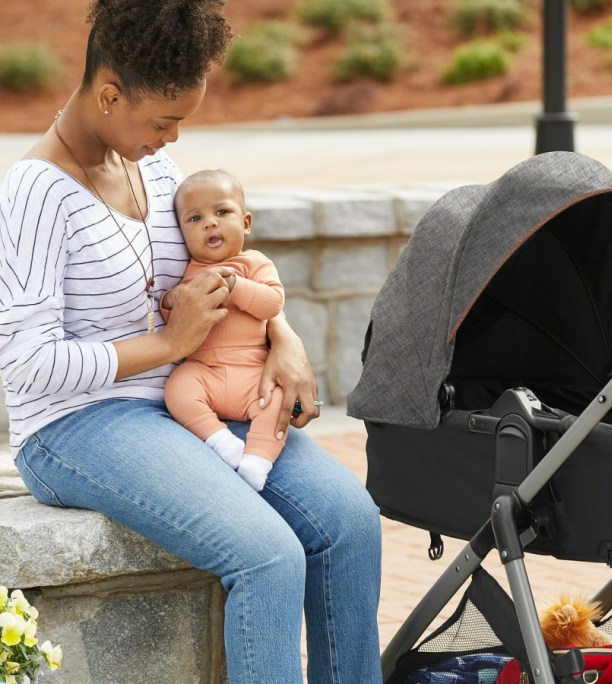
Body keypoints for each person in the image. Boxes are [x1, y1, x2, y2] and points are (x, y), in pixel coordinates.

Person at [0, 1, 382, 682]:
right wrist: (169, 345)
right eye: (163, 121)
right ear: (109, 94)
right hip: (75, 423)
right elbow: (23, 365)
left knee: (350, 523)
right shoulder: (34, 193)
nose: (173, 139)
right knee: (267, 554)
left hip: (193, 400)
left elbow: (228, 274)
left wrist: (284, 337)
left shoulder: (158, 176)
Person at [162, 169, 292, 491]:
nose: (210, 222)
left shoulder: (254, 263)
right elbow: (173, 324)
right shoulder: (188, 274)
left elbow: (272, 303)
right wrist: (172, 300)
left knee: (277, 401)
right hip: (205, 372)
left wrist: (236, 286)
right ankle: (219, 440)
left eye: (222, 212)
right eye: (195, 219)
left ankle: (258, 460)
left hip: (253, 374)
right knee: (178, 387)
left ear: (246, 223)